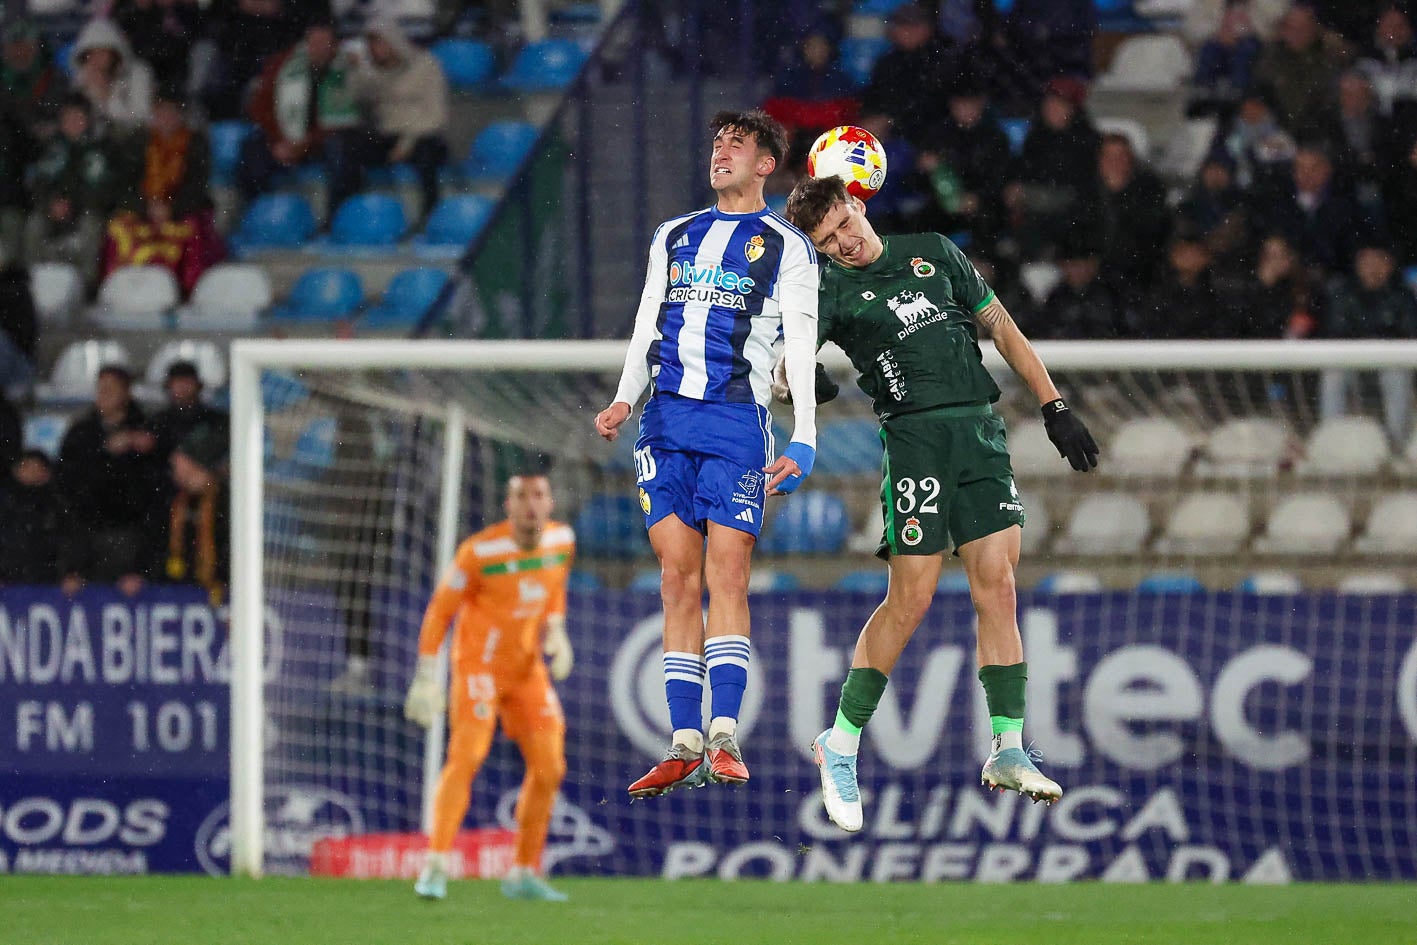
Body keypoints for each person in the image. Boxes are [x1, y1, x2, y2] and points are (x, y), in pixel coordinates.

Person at [783, 174, 1098, 832]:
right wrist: (798, 380)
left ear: (858, 206)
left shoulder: (932, 250)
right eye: (827, 239)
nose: (843, 241)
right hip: (916, 440)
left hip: (981, 432)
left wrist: (1054, 405)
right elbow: (783, 362)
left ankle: (1006, 747)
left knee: (999, 584)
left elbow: (1002, 328)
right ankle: (838, 742)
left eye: (844, 223)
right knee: (913, 597)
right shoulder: (825, 291)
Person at [593, 109, 821, 798]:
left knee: (728, 569)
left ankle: (724, 732)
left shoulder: (788, 247)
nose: (720, 151)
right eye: (716, 142)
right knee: (673, 576)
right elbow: (646, 325)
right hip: (663, 421)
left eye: (737, 144)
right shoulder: (675, 233)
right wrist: (623, 397)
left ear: (763, 165)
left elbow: (802, 350)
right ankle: (683, 739)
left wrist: (806, 434)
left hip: (733, 423)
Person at [403, 465, 576, 902]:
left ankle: (521, 872)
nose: (530, 505)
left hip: (526, 669)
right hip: (478, 668)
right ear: (508, 505)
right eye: (521, 496)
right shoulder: (479, 553)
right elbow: (441, 611)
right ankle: (436, 865)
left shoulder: (562, 542)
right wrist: (427, 675)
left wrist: (556, 627)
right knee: (466, 758)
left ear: (549, 503)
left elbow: (554, 587)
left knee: (550, 767)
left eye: (538, 496)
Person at [348, 18, 450, 223]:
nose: (377, 49)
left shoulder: (427, 65)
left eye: (381, 42)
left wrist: (406, 143)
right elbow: (357, 95)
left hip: (422, 134)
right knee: (350, 149)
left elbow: (436, 115)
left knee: (426, 156)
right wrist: (356, 70)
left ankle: (431, 217)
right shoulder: (374, 73)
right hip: (388, 135)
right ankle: (354, 215)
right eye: (372, 44)